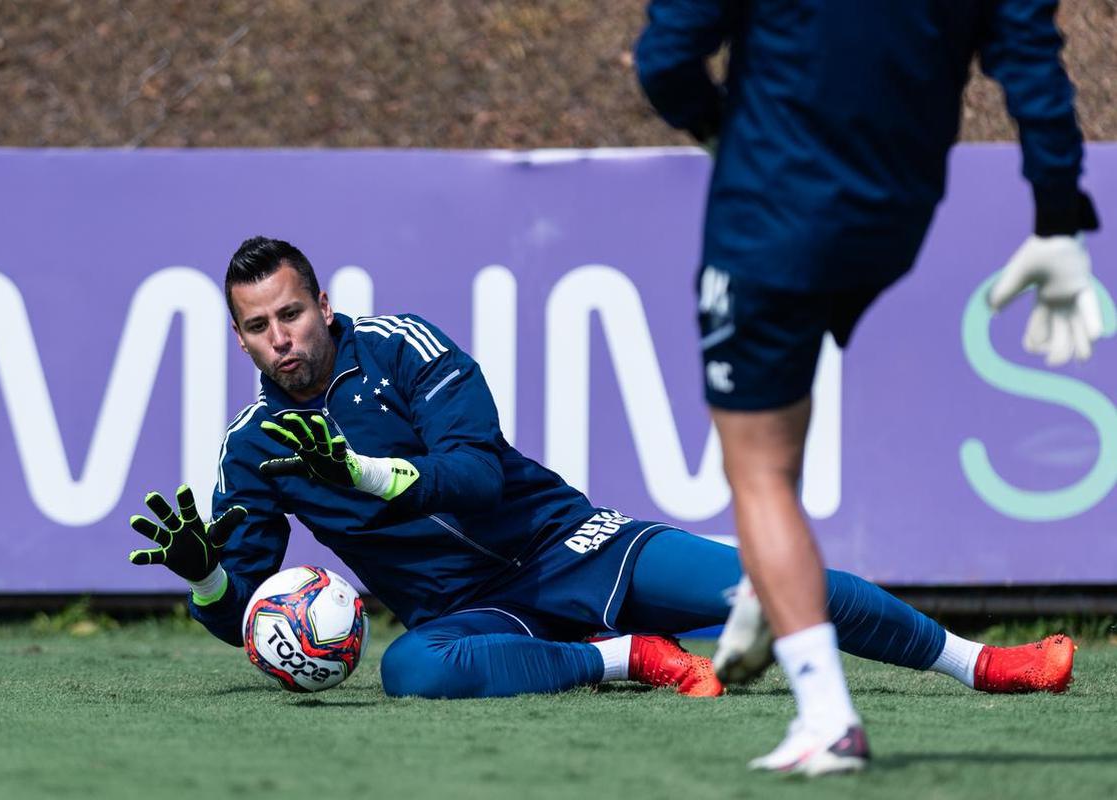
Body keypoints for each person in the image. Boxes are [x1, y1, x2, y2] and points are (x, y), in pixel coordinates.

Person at [125, 236, 1075, 715]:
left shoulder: (405, 347)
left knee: (778, 585)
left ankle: (982, 663)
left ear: (323, 304)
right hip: (468, 610)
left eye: (291, 313)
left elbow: (476, 477)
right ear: (241, 338)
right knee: (411, 670)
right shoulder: (252, 447)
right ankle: (626, 658)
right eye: (258, 326)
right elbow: (246, 614)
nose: (281, 338)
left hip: (569, 546)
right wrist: (207, 578)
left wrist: (366, 475)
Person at [635, 0, 1104, 774]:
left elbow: (664, 59)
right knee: (783, 416)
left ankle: (826, 717)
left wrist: (719, 130)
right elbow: (1030, 62)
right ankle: (769, 584)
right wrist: (1057, 216)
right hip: (894, 215)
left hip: (768, 210)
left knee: (758, 470)